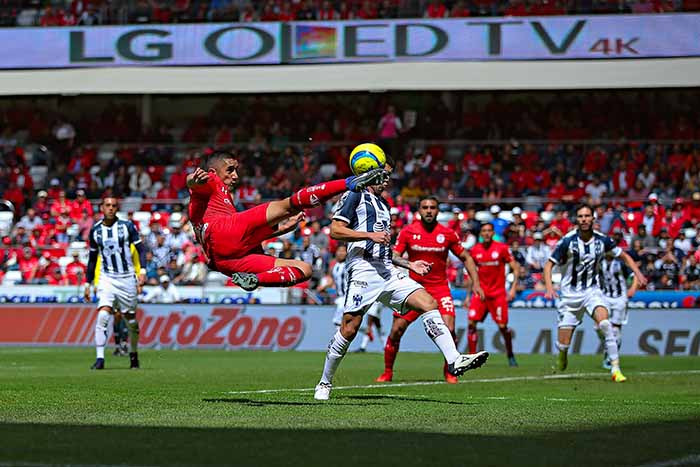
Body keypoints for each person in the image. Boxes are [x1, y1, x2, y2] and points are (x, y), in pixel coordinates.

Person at [313, 165, 488, 401]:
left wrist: (409, 265)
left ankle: (454, 359)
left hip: (387, 269)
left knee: (428, 302)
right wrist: (368, 235)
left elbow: (384, 247)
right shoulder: (355, 193)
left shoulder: (384, 206)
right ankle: (325, 381)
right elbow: (335, 230)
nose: (387, 179)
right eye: (383, 173)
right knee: (350, 328)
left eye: (388, 174)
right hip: (363, 269)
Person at [186, 150, 387, 291]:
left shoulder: (217, 201)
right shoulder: (211, 182)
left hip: (226, 260)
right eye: (230, 169)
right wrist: (194, 179)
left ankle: (253, 280)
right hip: (223, 233)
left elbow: (236, 242)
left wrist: (281, 230)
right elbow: (193, 183)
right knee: (288, 205)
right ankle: (350, 182)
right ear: (213, 172)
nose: (235, 176)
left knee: (304, 270)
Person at [375, 195, 485, 384]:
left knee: (449, 330)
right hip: (413, 290)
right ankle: (387, 372)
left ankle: (450, 371)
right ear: (419, 210)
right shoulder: (408, 232)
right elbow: (394, 255)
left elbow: (466, 257)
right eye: (425, 207)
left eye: (432, 207)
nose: (428, 210)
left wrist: (476, 282)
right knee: (396, 331)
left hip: (440, 288)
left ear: (438, 211)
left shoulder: (448, 233)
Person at [543, 203, 647, 383]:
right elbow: (549, 264)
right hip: (569, 296)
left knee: (606, 325)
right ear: (577, 219)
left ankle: (615, 369)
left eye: (587, 216)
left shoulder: (602, 240)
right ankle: (562, 354)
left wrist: (637, 273)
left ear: (593, 218)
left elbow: (623, 255)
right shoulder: (567, 241)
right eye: (581, 216)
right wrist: (549, 286)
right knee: (563, 344)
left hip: (593, 292)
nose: (584, 219)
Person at [85, 197, 147, 370]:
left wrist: (142, 271)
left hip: (127, 278)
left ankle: (133, 353)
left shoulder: (127, 226)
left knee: (131, 321)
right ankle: (100, 359)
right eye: (108, 205)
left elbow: (141, 250)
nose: (111, 208)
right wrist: (87, 284)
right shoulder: (96, 230)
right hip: (107, 278)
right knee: (103, 315)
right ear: (102, 208)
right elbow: (91, 260)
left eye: (114, 206)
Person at [467, 222, 521, 367]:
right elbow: (471, 274)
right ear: (480, 234)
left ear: (493, 233)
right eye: (484, 231)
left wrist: (513, 288)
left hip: (497, 294)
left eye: (489, 231)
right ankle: (472, 358)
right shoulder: (475, 250)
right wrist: (468, 296)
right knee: (471, 323)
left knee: (503, 326)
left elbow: (516, 268)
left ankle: (510, 354)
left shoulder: (501, 248)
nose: (486, 233)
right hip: (481, 294)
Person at [596, 250, 640, 369]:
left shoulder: (620, 263)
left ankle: (610, 358)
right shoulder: (600, 263)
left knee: (615, 329)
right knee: (598, 326)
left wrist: (633, 288)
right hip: (604, 297)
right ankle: (608, 348)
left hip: (620, 299)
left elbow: (634, 274)